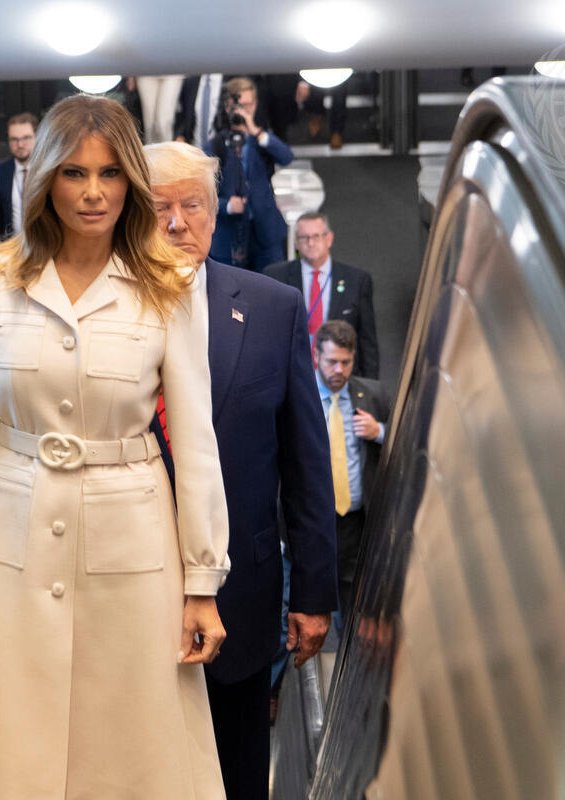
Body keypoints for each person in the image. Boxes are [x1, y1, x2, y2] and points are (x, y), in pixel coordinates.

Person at [0, 95, 230, 798]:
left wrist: (202, 583)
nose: (93, 192)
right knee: (14, 749)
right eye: (73, 173)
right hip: (10, 547)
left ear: (130, 181)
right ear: (44, 179)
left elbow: (196, 443)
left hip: (133, 548)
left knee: (135, 751)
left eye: (109, 173)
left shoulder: (172, 287)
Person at [145, 141, 338, 800]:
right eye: (159, 208)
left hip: (242, 599)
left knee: (238, 777)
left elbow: (306, 462)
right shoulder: (101, 316)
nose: (177, 223)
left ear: (215, 213)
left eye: (192, 205)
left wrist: (313, 592)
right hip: (129, 597)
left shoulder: (272, 308)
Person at [313, 320, 390, 615]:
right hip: (313, 523)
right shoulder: (299, 394)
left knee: (356, 609)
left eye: (346, 362)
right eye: (332, 361)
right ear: (316, 355)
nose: (339, 370)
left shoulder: (373, 394)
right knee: (302, 611)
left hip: (357, 523)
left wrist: (379, 431)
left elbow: (407, 437)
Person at [265, 211, 380, 379]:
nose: (310, 243)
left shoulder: (357, 280)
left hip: (341, 377)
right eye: (304, 238)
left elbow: (367, 341)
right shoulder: (275, 277)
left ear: (329, 238)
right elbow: (267, 334)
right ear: (296, 242)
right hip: (293, 376)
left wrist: (370, 388)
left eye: (316, 236)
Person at [204, 77, 293, 271]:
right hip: (228, 237)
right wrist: (227, 205)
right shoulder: (215, 146)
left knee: (272, 284)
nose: (243, 111)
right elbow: (201, 194)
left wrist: (256, 131)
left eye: (248, 105)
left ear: (256, 104)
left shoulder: (261, 139)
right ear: (227, 107)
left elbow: (286, 157)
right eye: (239, 106)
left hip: (265, 233)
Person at [0, 112, 37, 238]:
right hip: (14, 244)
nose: (20, 145)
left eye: (26, 138)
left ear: (36, 137)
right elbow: (0, 216)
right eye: (14, 139)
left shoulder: (50, 170)